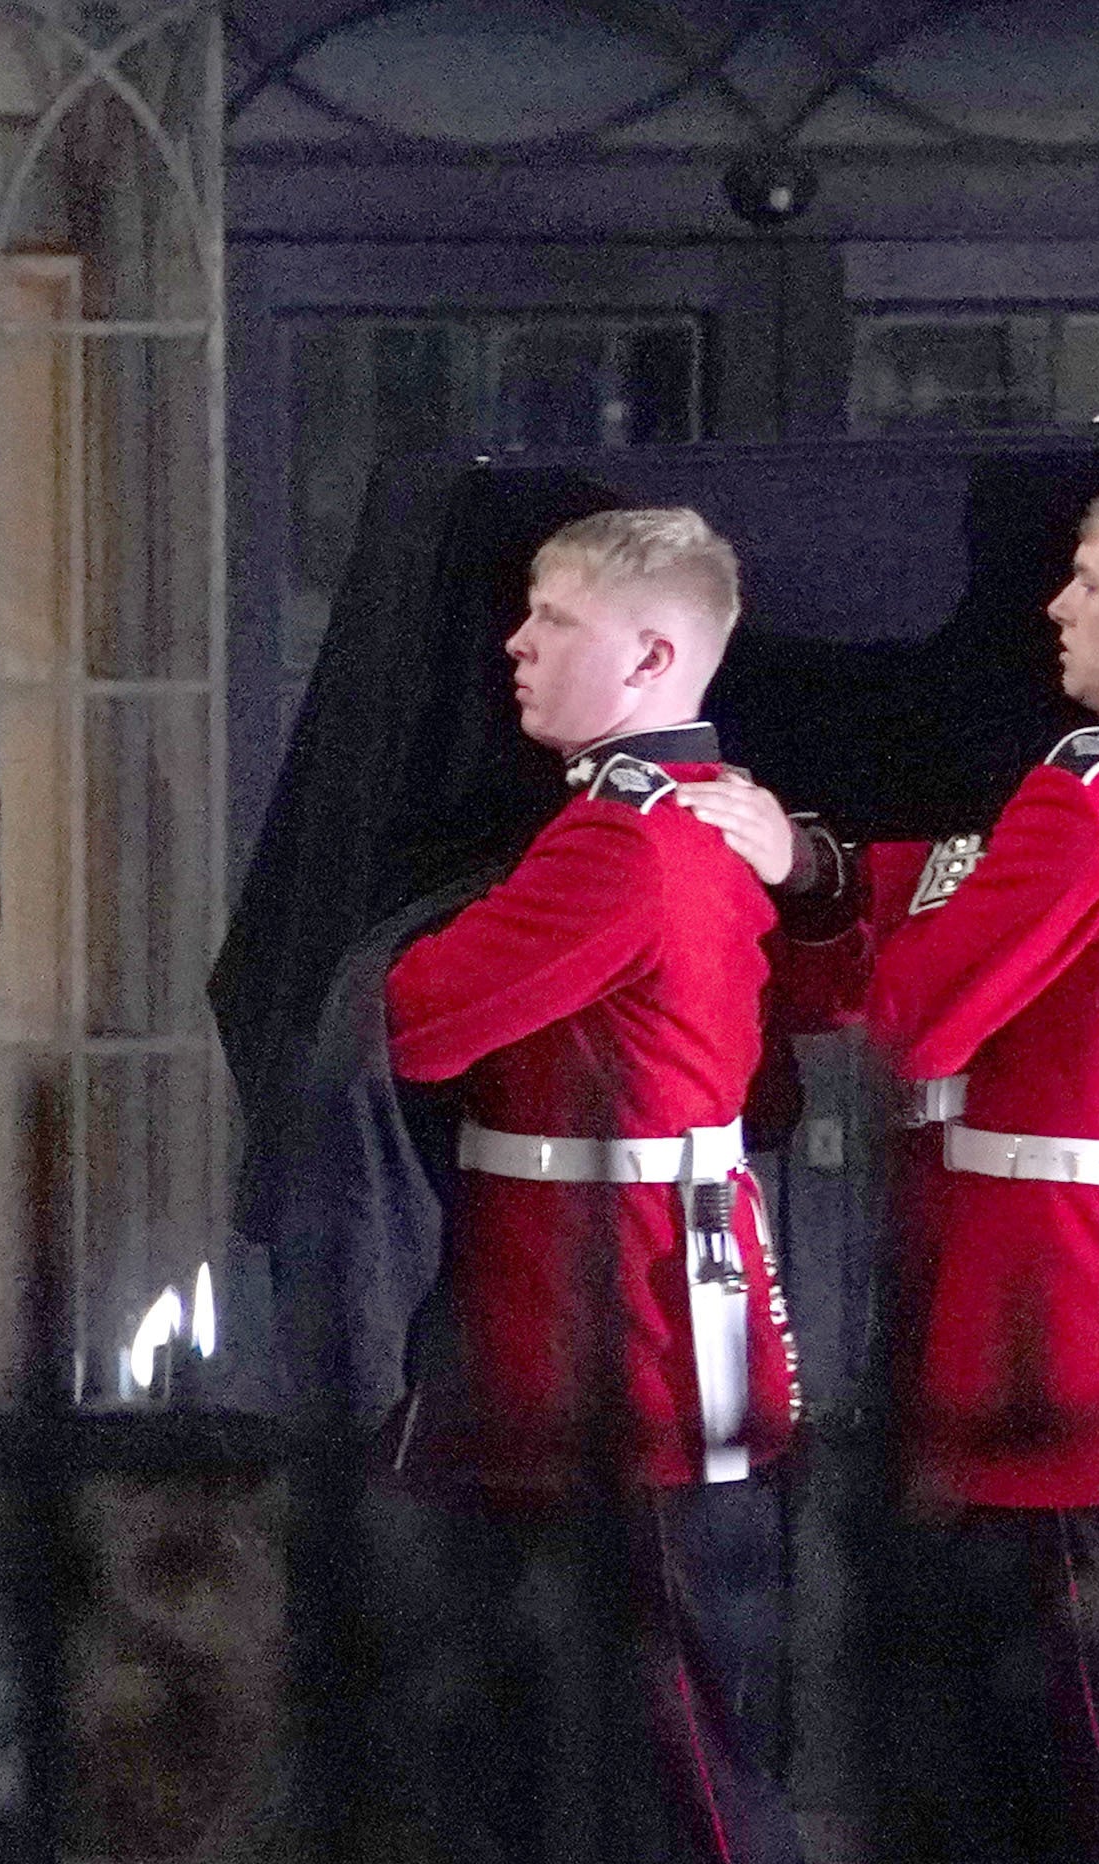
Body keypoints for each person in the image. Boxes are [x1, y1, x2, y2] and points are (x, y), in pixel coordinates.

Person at [704, 473, 1099, 1863]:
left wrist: (869, 891)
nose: (1059, 602)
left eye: (1090, 580)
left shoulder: (1087, 789)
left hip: (1045, 1274)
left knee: (1068, 1691)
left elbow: (925, 1019)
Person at [379, 507, 803, 1864]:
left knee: (670, 1743)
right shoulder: (658, 819)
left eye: (554, 616)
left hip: (617, 1319)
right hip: (608, 1298)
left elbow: (421, 1018)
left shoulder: (623, 842)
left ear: (650, 656)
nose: (515, 641)